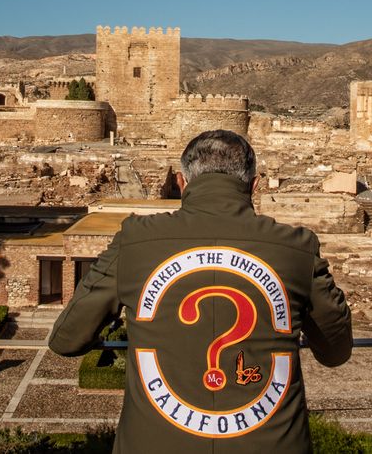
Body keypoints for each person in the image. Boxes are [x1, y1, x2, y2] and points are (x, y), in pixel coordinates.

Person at [50, 129, 352, 451]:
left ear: (181, 183)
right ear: (255, 185)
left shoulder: (135, 240)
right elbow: (335, 352)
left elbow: (66, 339)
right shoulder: (297, 247)